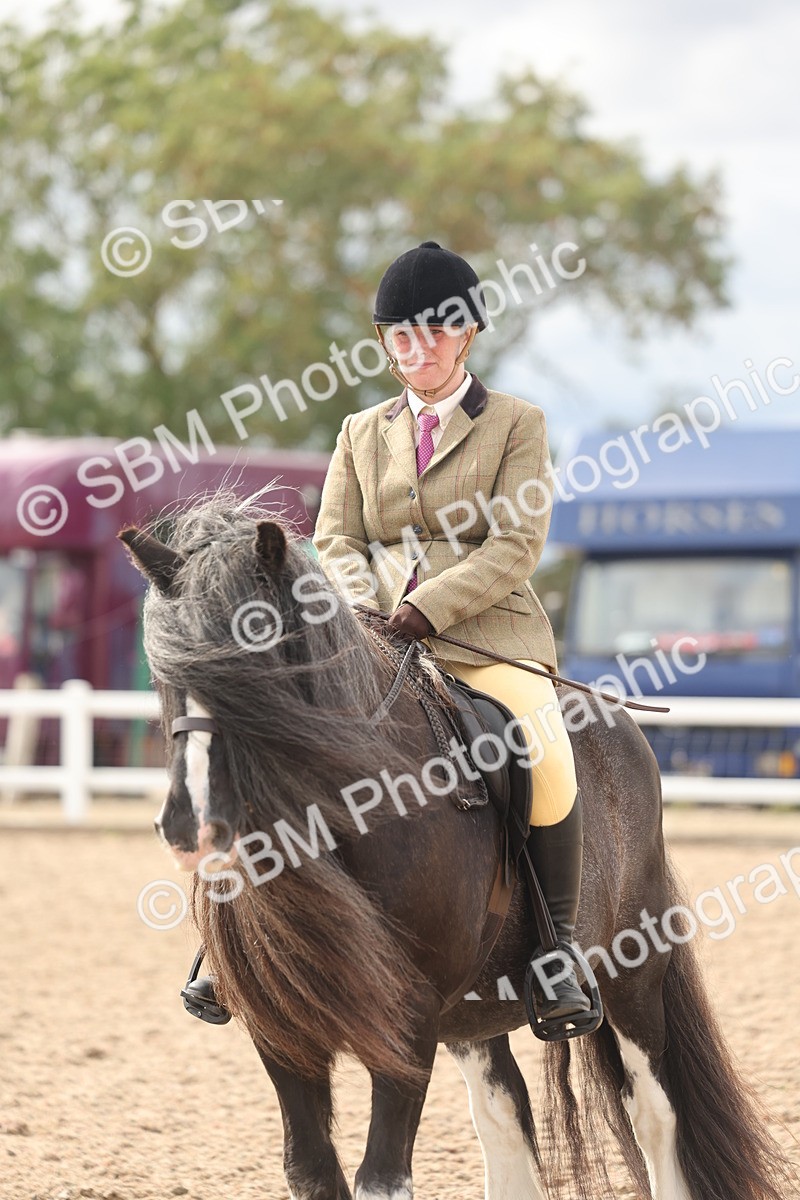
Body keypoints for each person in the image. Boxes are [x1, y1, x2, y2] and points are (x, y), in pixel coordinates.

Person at [312, 240, 591, 1025]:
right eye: (402, 334)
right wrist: (364, 606)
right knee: (288, 735)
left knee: (544, 750)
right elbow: (334, 537)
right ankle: (235, 944)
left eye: (436, 331)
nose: (419, 348)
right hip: (373, 633)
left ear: (467, 334)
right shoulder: (360, 431)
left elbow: (516, 545)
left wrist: (427, 606)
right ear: (385, 341)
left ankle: (559, 953)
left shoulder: (517, 423)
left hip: (486, 637)